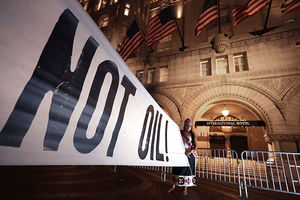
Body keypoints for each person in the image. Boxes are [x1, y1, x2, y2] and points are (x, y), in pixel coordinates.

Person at [168, 118, 197, 196]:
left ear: (191, 126)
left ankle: (185, 188)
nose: (188, 127)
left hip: (189, 155)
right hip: (180, 154)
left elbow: (195, 146)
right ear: (184, 125)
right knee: (177, 170)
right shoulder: (180, 133)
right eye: (187, 125)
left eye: (190, 126)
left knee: (187, 171)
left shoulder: (192, 135)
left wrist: (189, 151)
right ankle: (173, 185)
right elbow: (175, 141)